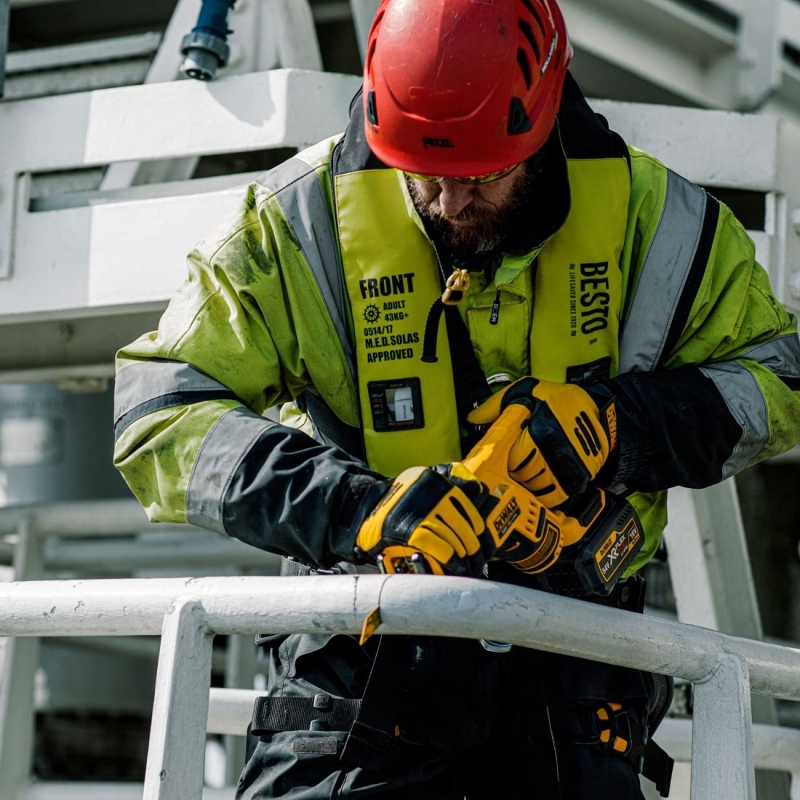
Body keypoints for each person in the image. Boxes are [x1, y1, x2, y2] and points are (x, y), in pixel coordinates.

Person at [113, 0, 800, 796]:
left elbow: (779, 380)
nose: (446, 204)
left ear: (542, 123)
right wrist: (356, 507)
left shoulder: (658, 221)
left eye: (479, 177)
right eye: (422, 174)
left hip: (579, 658)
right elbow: (155, 413)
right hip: (363, 645)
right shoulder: (299, 224)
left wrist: (619, 428)